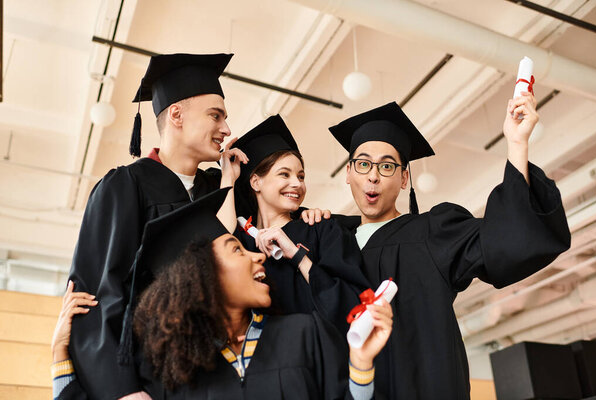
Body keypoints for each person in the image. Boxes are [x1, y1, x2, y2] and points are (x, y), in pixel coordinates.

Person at [328, 94, 571, 399]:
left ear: (404, 178)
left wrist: (517, 144)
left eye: (387, 166)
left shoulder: (433, 232)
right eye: (362, 164)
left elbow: (506, 240)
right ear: (348, 173)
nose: (373, 176)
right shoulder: (330, 244)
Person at [53, 188, 393, 400]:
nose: (257, 255)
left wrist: (361, 364)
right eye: (236, 250)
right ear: (200, 276)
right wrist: (60, 355)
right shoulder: (169, 372)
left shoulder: (307, 333)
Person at [67, 53, 249, 400]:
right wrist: (122, 389)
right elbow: (97, 295)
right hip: (147, 380)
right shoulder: (125, 186)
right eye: (216, 115)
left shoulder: (219, 189)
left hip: (219, 378)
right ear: (176, 114)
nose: (226, 129)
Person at [227, 115, 370, 333]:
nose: (297, 184)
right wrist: (227, 178)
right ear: (256, 182)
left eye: (301, 176)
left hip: (320, 355)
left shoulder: (322, 229)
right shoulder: (241, 243)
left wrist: (297, 256)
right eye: (284, 174)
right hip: (261, 360)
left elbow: (353, 305)